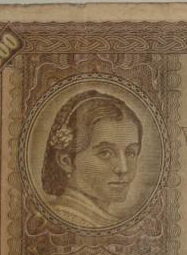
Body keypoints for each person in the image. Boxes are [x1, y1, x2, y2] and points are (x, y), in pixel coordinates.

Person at [41, 91, 143, 228]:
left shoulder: (108, 223)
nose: (123, 169)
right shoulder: (59, 219)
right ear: (66, 161)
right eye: (105, 153)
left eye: (131, 153)